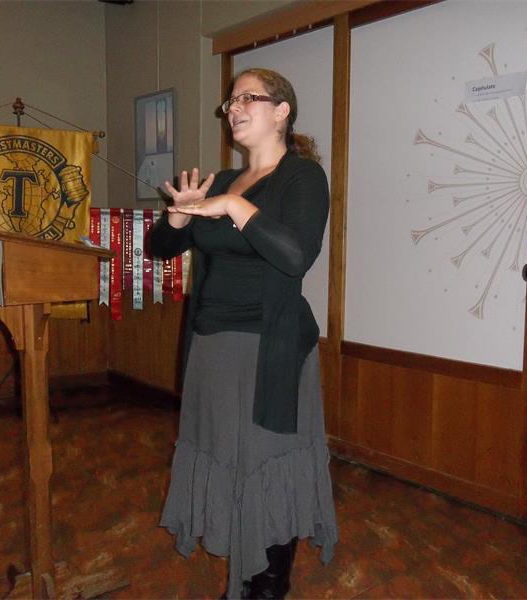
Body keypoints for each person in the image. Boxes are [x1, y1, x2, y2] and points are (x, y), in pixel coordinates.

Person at [149, 68, 339, 600]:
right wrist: (180, 217)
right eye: (230, 102)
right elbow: (160, 249)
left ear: (282, 111)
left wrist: (234, 207)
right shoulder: (220, 179)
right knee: (229, 464)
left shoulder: (302, 178)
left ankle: (266, 588)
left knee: (267, 469)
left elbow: (295, 255)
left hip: (269, 347)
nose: (233, 108)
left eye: (246, 98)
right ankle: (244, 573)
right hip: (212, 346)